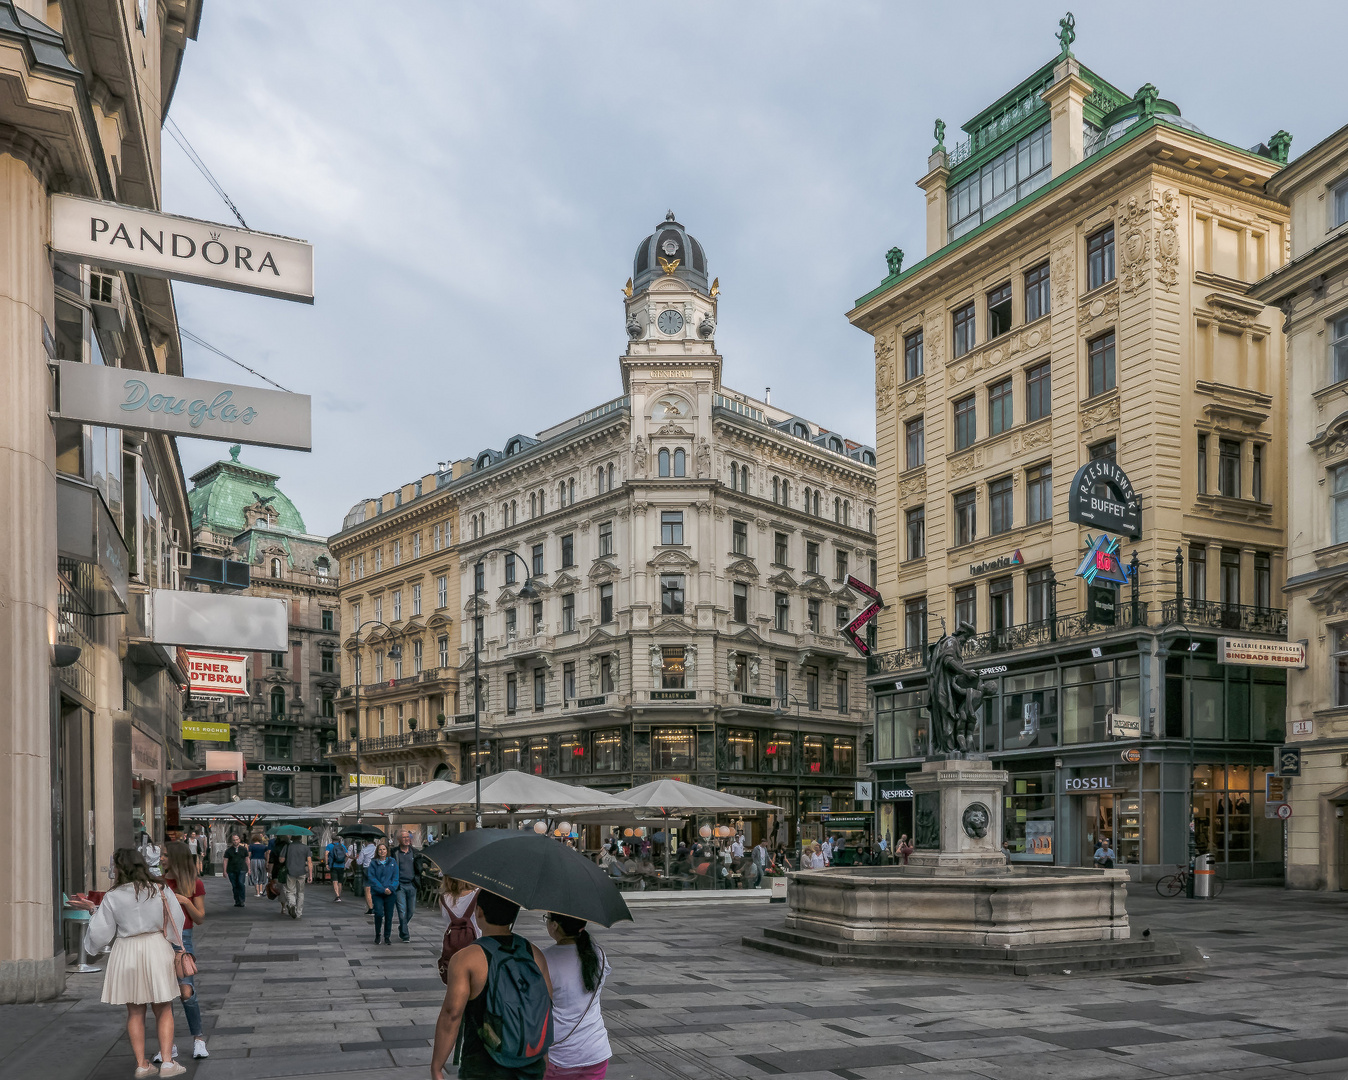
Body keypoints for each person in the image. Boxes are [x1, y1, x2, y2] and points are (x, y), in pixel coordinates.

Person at [70, 847, 187, 1079]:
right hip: (156, 945)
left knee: (135, 1011)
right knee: (163, 1007)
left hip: (127, 949)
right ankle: (167, 1062)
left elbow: (102, 932)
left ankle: (142, 1065)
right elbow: (178, 919)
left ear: (119, 868)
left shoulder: (113, 895)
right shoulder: (159, 889)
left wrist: (92, 918)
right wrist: (175, 942)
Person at [430, 890, 554, 1080]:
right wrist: (542, 1058)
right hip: (530, 1064)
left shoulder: (467, 958)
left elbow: (452, 1014)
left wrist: (437, 1067)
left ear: (479, 912)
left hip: (484, 1066)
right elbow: (545, 1008)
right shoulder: (535, 954)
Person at [542, 912, 610, 1080]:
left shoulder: (545, 959)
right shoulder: (597, 954)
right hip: (596, 1052)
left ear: (555, 925)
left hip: (560, 1056)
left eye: (547, 917)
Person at [161, 841, 209, 1062]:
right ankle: (168, 1046)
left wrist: (185, 902)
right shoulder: (159, 884)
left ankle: (198, 1038)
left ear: (175, 859)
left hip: (183, 940)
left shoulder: (194, 884)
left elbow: (199, 918)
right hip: (160, 939)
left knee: (186, 992)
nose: (161, 859)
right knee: (163, 994)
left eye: (164, 855)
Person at [366, 840, 398, 945]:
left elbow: (396, 877)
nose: (382, 851)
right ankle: (378, 934)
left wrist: (391, 888)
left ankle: (387, 936)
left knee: (389, 916)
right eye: (380, 849)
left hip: (390, 893)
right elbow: (372, 878)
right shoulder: (373, 863)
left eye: (384, 849)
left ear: (387, 851)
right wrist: (382, 889)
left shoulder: (392, 862)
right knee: (379, 913)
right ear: (377, 851)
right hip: (378, 893)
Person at [393, 829, 423, 942]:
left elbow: (419, 867)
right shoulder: (394, 852)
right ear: (399, 840)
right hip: (399, 886)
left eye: (408, 837)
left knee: (411, 911)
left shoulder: (415, 852)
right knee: (402, 911)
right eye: (404, 837)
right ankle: (405, 934)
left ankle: (402, 926)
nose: (407, 839)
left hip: (412, 885)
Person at [280, 834, 313, 919]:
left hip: (290, 871)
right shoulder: (306, 848)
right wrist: (310, 875)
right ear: (301, 838)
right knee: (300, 893)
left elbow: (281, 860)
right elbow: (309, 862)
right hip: (302, 872)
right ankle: (299, 913)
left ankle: (292, 904)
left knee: (290, 890)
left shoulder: (287, 846)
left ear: (292, 838)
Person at [222, 833, 249, 908]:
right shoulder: (228, 850)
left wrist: (249, 869)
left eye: (237, 840)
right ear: (232, 841)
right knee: (234, 885)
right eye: (234, 840)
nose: (235, 841)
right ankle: (237, 900)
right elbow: (225, 860)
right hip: (232, 869)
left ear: (239, 840)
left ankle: (242, 900)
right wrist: (224, 871)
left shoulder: (243, 849)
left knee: (240, 883)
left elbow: (247, 859)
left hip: (242, 868)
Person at [357, 837, 377, 915]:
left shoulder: (364, 850)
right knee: (376, 888)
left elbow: (359, 862)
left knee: (367, 889)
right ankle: (376, 906)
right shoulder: (377, 849)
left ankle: (370, 908)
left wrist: (357, 857)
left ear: (366, 841)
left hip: (367, 868)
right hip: (376, 868)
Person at [326, 834, 349, 903]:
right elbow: (347, 855)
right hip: (341, 866)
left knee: (334, 881)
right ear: (339, 840)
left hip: (333, 865)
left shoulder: (329, 846)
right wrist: (344, 862)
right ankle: (339, 895)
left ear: (332, 839)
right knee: (340, 881)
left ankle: (337, 895)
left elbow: (326, 854)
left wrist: (327, 864)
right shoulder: (343, 846)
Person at [247, 833, 268, 899]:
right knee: (262, 874)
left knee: (255, 875)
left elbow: (249, 855)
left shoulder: (251, 846)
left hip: (254, 860)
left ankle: (257, 892)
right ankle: (261, 890)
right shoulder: (264, 846)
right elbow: (265, 855)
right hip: (262, 860)